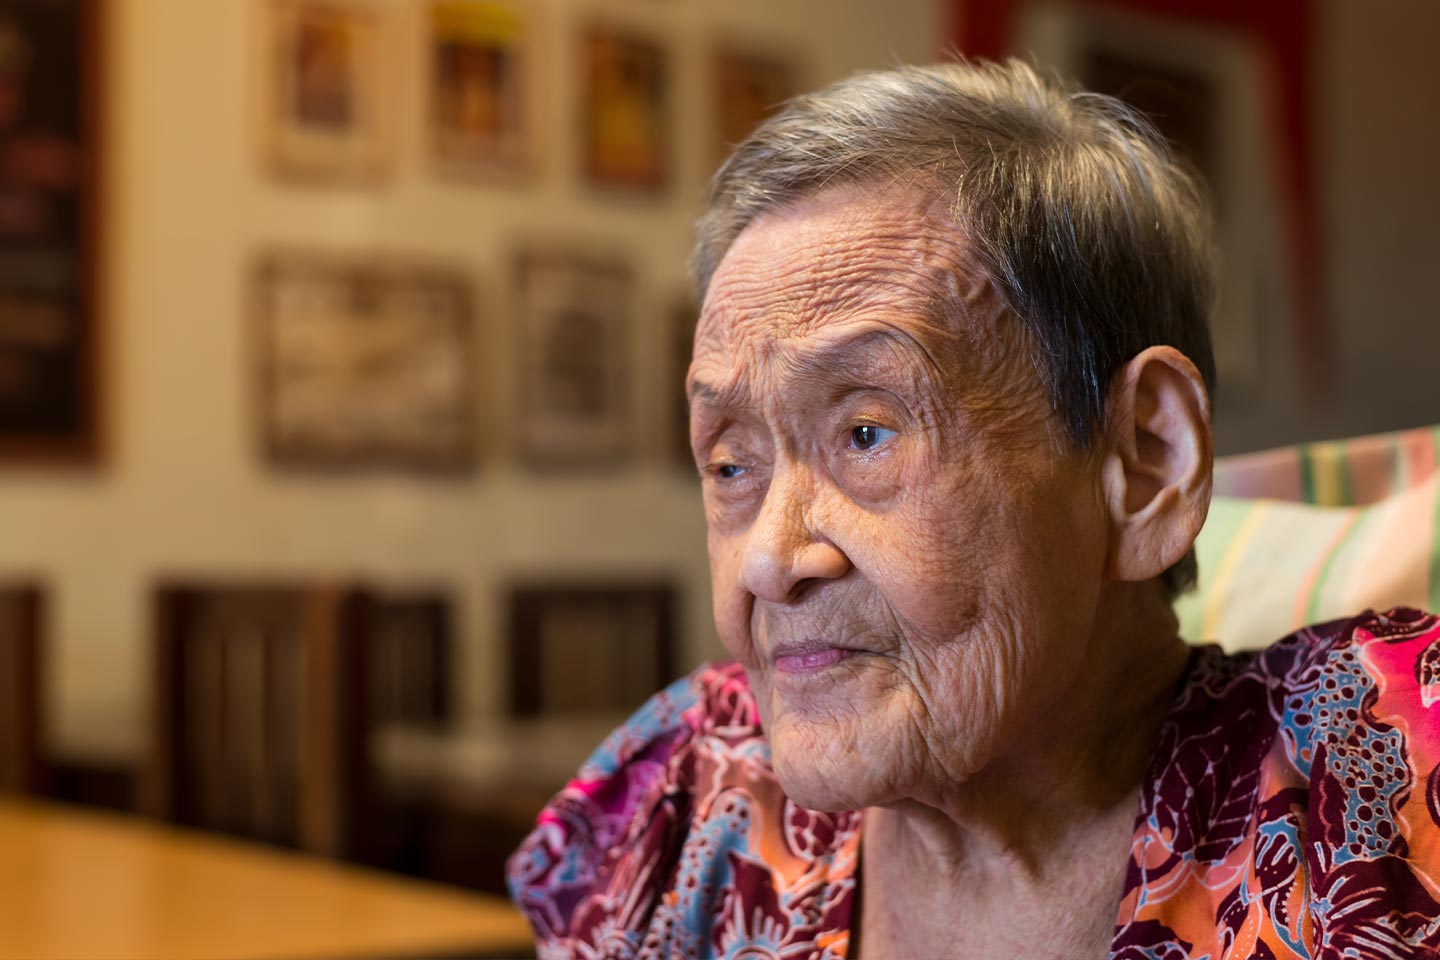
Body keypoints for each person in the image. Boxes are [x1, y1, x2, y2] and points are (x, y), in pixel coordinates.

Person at [507, 60, 1440, 959]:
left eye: (867, 433)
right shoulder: (695, 795)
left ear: (1146, 460)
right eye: (730, 464)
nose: (768, 559)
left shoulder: (1380, 781)